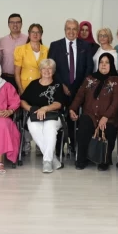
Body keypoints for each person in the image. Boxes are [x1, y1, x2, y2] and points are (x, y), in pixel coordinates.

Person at [69, 53, 118, 171]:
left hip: (109, 117)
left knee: (108, 129)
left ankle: (104, 160)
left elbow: (117, 102)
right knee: (84, 125)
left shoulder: (116, 81)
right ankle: (82, 159)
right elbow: (80, 96)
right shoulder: (89, 79)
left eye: (107, 62)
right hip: (90, 114)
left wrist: (106, 116)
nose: (103, 65)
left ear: (111, 64)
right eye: (101, 62)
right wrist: (72, 108)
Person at [48, 19, 93, 147]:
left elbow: (89, 68)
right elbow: (51, 68)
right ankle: (58, 147)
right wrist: (61, 85)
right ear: (65, 30)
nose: (71, 32)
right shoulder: (55, 45)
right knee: (59, 118)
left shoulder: (86, 46)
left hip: (79, 90)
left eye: (74, 29)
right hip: (60, 89)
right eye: (69, 28)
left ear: (78, 31)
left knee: (76, 119)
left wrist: (82, 88)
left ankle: (74, 146)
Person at [20, 59, 64, 173]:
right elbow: (22, 100)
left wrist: (45, 108)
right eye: (44, 68)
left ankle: (47, 161)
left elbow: (58, 103)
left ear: (53, 71)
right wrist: (31, 109)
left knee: (49, 127)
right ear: (40, 70)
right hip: (35, 115)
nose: (47, 71)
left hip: (53, 115)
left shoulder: (57, 84)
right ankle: (52, 158)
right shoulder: (33, 84)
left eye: (50, 69)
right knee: (33, 127)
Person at [14, 23, 48, 94]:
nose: (35, 34)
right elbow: (17, 73)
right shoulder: (20, 49)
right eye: (33, 32)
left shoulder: (46, 50)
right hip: (25, 85)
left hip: (41, 85)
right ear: (29, 34)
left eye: (38, 32)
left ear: (41, 35)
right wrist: (20, 89)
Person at [0, 13, 28, 89]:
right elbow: (0, 60)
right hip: (6, 78)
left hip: (23, 78)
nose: (15, 25)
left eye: (18, 22)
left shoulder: (28, 40)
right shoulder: (2, 41)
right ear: (8, 25)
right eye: (12, 22)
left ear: (21, 24)